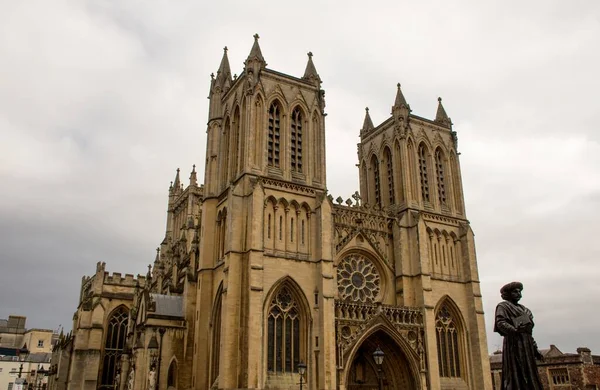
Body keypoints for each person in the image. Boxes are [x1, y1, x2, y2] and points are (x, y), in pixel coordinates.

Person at [494, 281, 544, 390]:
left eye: (519, 291)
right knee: (516, 373)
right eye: (515, 292)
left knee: (530, 373)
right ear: (508, 294)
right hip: (514, 343)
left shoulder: (524, 310)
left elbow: (529, 332)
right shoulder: (503, 306)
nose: (519, 294)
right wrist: (514, 330)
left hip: (527, 344)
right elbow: (500, 323)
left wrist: (535, 349)